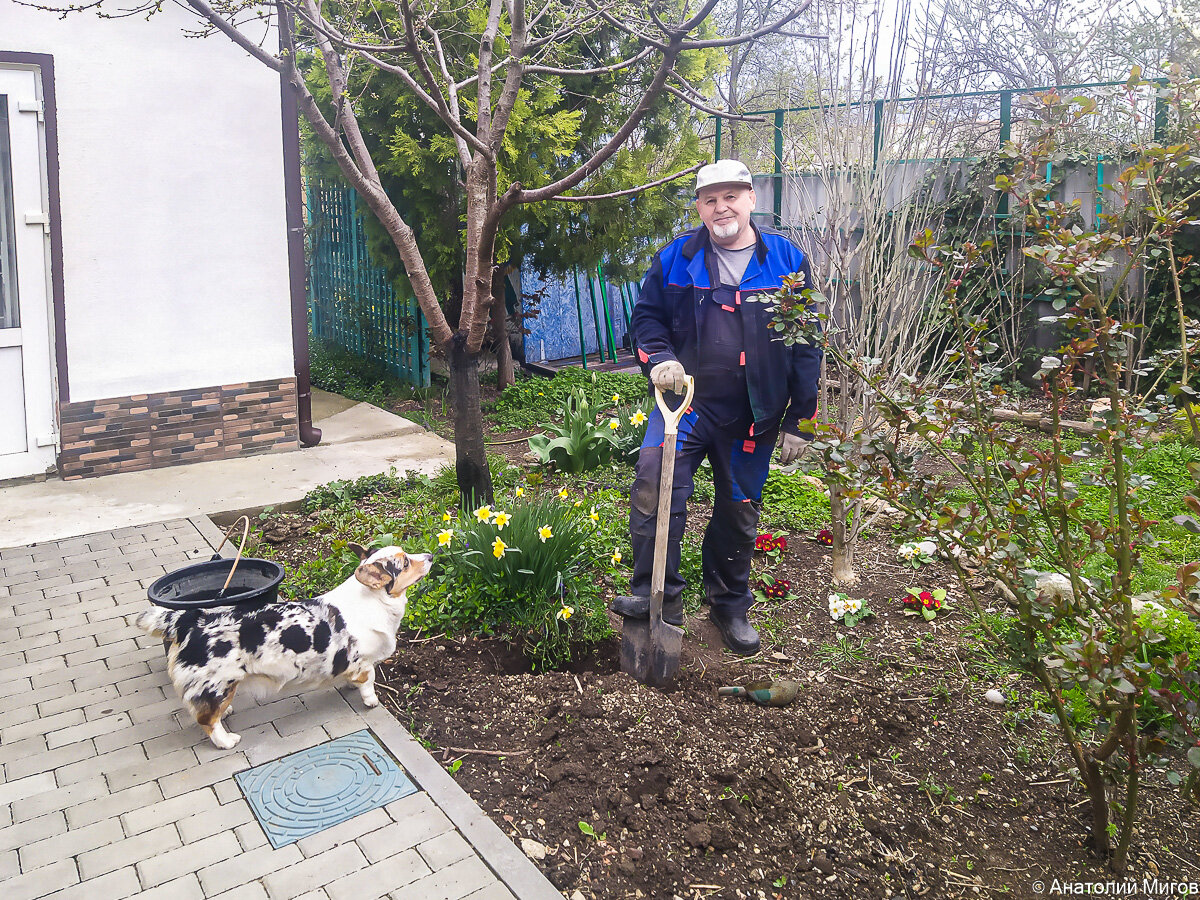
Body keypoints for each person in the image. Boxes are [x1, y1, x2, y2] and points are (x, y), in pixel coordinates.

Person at [611, 159, 821, 656]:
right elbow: (646, 319)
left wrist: (801, 421)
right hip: (684, 406)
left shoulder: (787, 261)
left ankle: (729, 603)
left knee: (739, 510)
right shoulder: (676, 258)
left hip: (755, 412)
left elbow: (808, 344)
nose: (721, 207)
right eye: (710, 199)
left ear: (751, 198)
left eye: (731, 196)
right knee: (654, 490)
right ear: (700, 207)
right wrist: (659, 358)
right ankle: (656, 595)